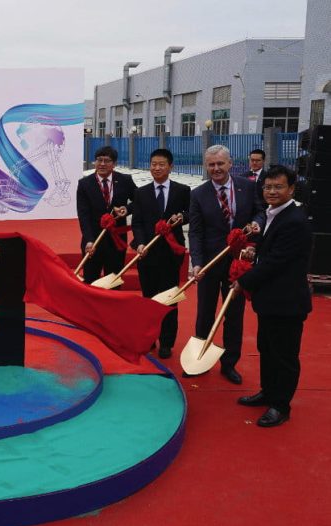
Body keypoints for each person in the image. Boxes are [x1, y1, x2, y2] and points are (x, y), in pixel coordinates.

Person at [233, 165, 312, 427]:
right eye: (268, 186)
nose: (272, 191)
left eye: (279, 187)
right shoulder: (272, 215)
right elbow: (268, 255)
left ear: (291, 189)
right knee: (266, 349)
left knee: (284, 355)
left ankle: (281, 405)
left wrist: (242, 280)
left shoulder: (294, 220)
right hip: (269, 300)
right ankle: (268, 392)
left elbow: (276, 261)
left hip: (287, 302)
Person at [188, 145, 264, 384]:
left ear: (230, 163)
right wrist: (197, 262)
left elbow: (261, 212)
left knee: (234, 315)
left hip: (239, 262)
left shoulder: (248, 187)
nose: (216, 168)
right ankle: (199, 360)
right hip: (210, 262)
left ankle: (229, 363)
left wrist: (255, 228)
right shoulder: (198, 194)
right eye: (211, 164)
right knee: (205, 313)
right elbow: (196, 232)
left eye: (220, 163)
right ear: (206, 166)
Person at [131, 148, 190, 359]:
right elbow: (137, 222)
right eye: (153, 164)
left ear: (170, 167)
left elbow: (191, 213)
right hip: (146, 254)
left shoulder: (182, 191)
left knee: (169, 300)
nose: (157, 168)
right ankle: (149, 338)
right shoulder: (141, 192)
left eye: (161, 164)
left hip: (170, 255)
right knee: (148, 299)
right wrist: (139, 243)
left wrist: (182, 217)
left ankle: (166, 342)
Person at [76, 146, 136, 283]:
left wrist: (127, 209)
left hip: (116, 240)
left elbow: (139, 201)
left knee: (113, 280)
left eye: (107, 161)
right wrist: (89, 239)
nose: (102, 164)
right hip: (93, 240)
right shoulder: (85, 183)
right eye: (99, 160)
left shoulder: (125, 180)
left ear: (114, 164)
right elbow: (83, 214)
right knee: (91, 280)